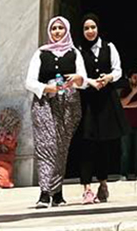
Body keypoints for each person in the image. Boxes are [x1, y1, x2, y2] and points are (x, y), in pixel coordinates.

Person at [25, 15, 87, 208]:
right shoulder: (41, 53)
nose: (57, 32)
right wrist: (47, 88)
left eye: (61, 28)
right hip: (45, 102)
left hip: (69, 103)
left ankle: (57, 192)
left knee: (61, 147)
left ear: (66, 30)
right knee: (47, 145)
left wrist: (77, 79)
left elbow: (83, 80)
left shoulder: (74, 53)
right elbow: (29, 81)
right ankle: (44, 193)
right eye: (54, 29)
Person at [76, 13, 128, 204]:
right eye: (86, 28)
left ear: (98, 28)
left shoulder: (109, 47)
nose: (90, 31)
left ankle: (103, 184)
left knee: (105, 145)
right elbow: (79, 76)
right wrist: (91, 82)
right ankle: (86, 188)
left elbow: (118, 70)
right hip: (88, 101)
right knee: (87, 145)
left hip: (106, 101)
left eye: (93, 27)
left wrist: (108, 78)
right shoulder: (79, 50)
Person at [119, 71, 137, 181]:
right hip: (126, 126)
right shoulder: (124, 91)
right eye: (135, 78)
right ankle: (123, 174)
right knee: (125, 152)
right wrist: (133, 93)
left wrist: (126, 105)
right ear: (129, 79)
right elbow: (121, 104)